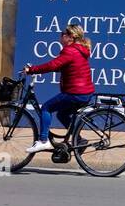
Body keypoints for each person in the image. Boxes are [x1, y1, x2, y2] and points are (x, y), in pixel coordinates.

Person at [22, 23, 95, 153]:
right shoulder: (80, 50)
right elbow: (66, 67)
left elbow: (52, 65)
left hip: (75, 93)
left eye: (63, 34)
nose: (60, 37)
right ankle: (79, 139)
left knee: (46, 107)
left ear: (70, 37)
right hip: (85, 93)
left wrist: (31, 70)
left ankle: (44, 141)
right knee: (62, 114)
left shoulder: (70, 50)